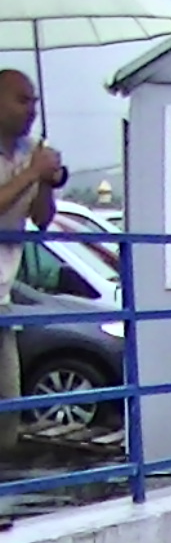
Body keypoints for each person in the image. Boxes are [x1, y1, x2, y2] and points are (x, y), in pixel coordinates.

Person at [0, 69, 66, 452]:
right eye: (21, 100)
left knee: (9, 407)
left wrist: (44, 179)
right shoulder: (27, 161)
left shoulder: (29, 152)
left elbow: (41, 219)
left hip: (3, 297)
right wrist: (31, 173)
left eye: (35, 101)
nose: (31, 110)